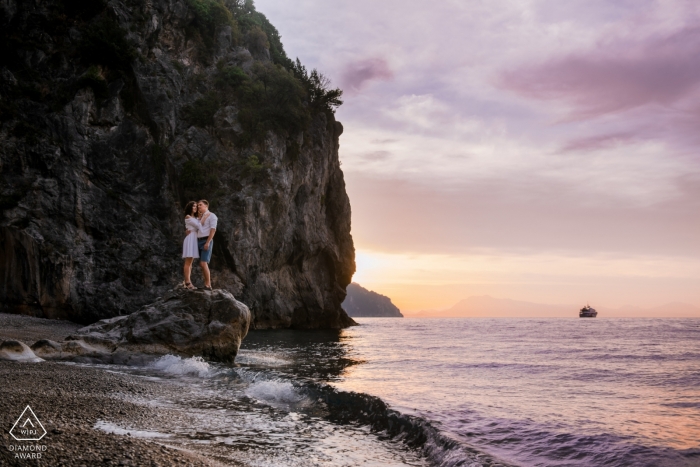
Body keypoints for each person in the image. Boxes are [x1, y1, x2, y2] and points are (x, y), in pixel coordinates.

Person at [196, 199, 217, 291]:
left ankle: (208, 285)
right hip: (197, 240)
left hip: (206, 240)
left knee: (203, 263)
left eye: (200, 205)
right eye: (198, 205)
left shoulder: (212, 216)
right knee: (191, 261)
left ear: (206, 206)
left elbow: (213, 230)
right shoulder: (199, 217)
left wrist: (208, 242)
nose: (198, 206)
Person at [182, 201, 203, 290]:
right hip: (190, 238)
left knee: (191, 262)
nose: (195, 207)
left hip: (194, 238)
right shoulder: (188, 217)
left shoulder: (196, 217)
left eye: (196, 206)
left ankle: (188, 281)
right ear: (190, 207)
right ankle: (187, 282)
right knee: (188, 261)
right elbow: (199, 226)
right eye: (193, 206)